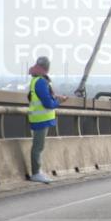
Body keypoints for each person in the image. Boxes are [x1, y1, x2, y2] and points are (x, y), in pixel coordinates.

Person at [26, 56, 68, 184]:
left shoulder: (36, 80)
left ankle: (37, 172)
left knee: (38, 146)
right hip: (41, 119)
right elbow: (48, 104)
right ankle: (36, 173)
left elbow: (36, 97)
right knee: (38, 146)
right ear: (47, 68)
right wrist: (58, 101)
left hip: (38, 118)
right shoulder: (41, 82)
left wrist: (55, 97)